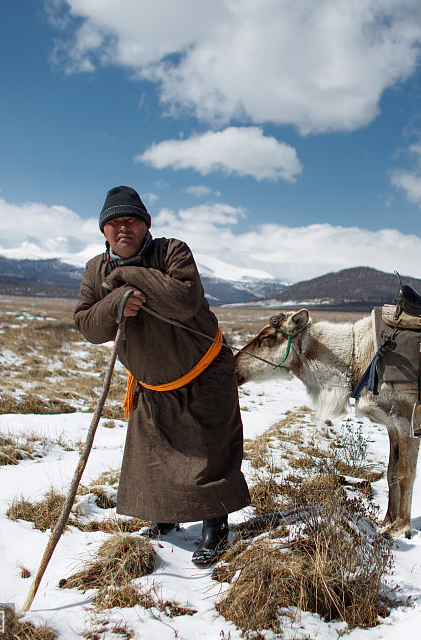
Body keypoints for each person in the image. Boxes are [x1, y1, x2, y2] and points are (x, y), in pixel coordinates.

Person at [74, 185, 250, 568]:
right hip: (151, 384)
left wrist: (126, 277)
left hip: (203, 372)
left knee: (209, 453)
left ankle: (215, 528)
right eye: (114, 222)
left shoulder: (172, 251)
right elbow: (88, 325)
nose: (123, 228)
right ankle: (166, 518)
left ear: (145, 225)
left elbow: (184, 299)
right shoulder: (94, 270)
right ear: (103, 230)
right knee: (156, 457)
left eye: (131, 220)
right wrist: (115, 303)